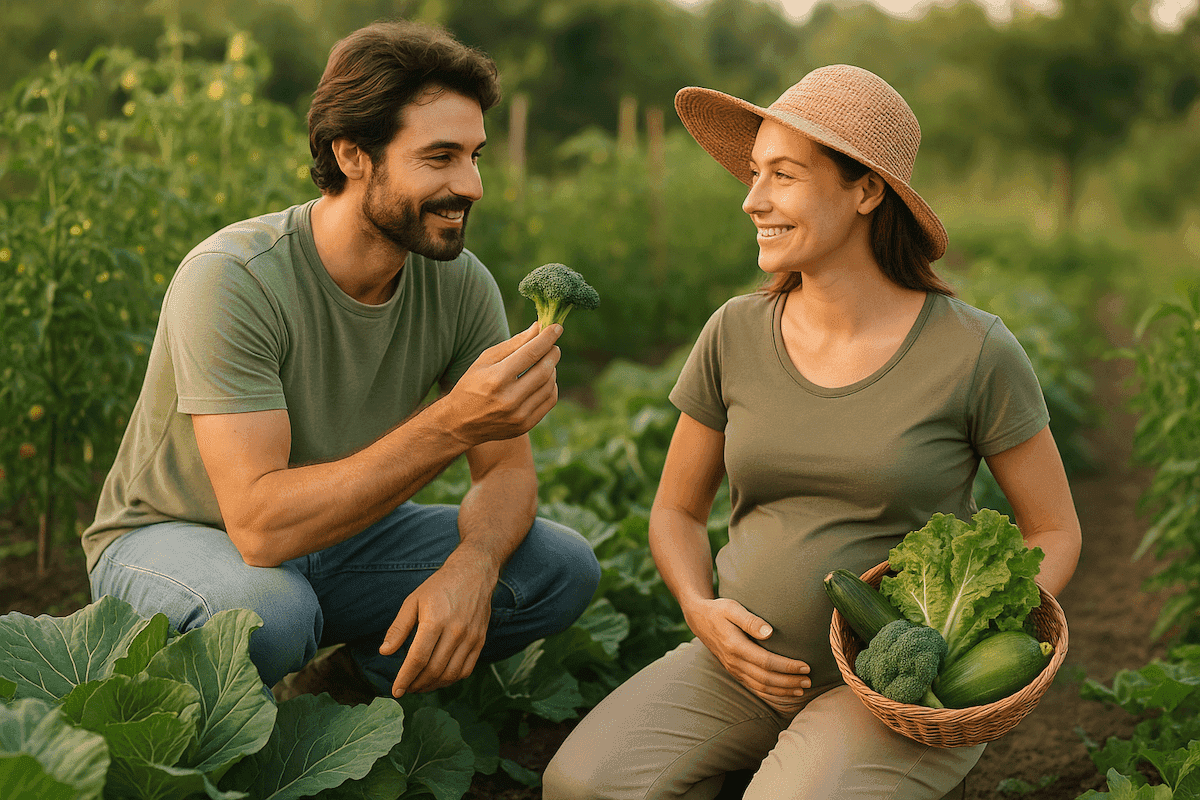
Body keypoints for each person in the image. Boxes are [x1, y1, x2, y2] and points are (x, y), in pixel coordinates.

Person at [543, 64, 1081, 799]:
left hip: (893, 697)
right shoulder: (733, 332)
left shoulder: (974, 350)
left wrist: (962, 645)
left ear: (865, 190)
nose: (752, 199)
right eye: (755, 172)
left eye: (783, 176)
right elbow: (675, 512)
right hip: (736, 671)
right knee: (580, 785)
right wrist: (702, 613)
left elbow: (1054, 527)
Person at [81, 19, 601, 699]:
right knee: (268, 614)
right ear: (353, 154)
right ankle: (165, 716)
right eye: (440, 157)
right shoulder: (235, 277)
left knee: (559, 567)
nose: (471, 184)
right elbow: (261, 528)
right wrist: (452, 423)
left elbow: (505, 472)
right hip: (173, 539)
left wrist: (472, 565)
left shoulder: (459, 282)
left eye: (476, 156)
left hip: (336, 539)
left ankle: (340, 696)